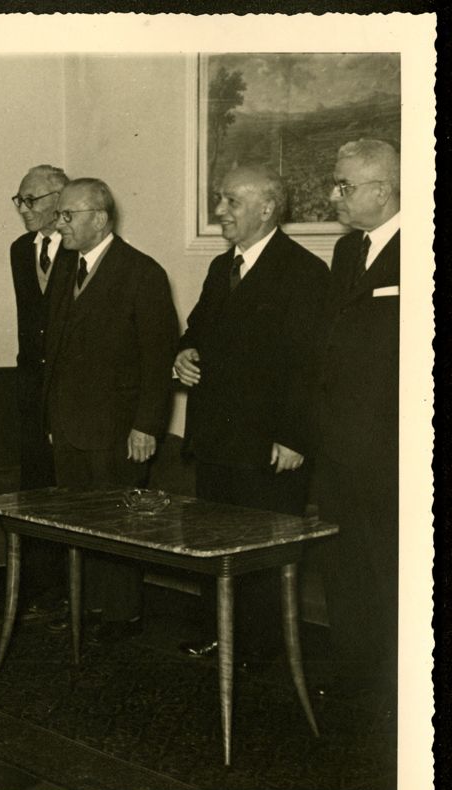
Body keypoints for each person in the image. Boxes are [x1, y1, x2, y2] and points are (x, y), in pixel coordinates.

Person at [174, 165, 330, 665]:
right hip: (215, 438)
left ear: (266, 209)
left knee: (261, 551)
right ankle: (219, 636)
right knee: (213, 544)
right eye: (220, 200)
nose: (220, 211)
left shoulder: (304, 271)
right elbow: (196, 330)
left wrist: (293, 437)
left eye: (231, 202)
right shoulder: (223, 268)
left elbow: (311, 365)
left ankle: (260, 651)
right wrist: (183, 354)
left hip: (268, 444)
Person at [43, 177, 178, 641]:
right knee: (77, 522)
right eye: (59, 215)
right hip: (69, 426)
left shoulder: (142, 273)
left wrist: (146, 426)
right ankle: (85, 605)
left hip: (119, 428)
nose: (58, 225)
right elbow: (55, 350)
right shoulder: (65, 268)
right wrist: (50, 419)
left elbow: (159, 358)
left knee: (116, 524)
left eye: (67, 216)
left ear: (99, 219)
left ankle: (122, 615)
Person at [312, 138, 401, 706]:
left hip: (393, 447)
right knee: (345, 561)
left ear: (382, 189)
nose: (333, 195)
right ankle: (356, 672)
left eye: (343, 186)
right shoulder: (348, 253)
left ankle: (401, 684)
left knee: (394, 565)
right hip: (341, 443)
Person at [9, 165, 75, 619]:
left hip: (71, 388)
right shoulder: (19, 251)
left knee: (70, 489)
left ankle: (75, 592)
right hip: (31, 387)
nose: (24, 210)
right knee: (35, 489)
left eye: (31, 200)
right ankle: (43, 590)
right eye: (20, 200)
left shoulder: (79, 251)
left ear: (59, 200)